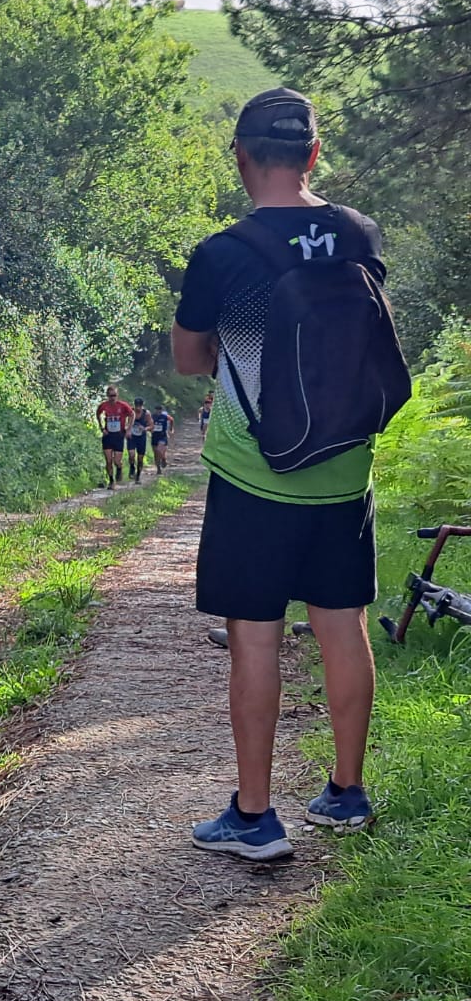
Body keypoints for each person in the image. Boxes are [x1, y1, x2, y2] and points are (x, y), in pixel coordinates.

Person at [174, 88, 384, 860]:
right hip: (344, 470)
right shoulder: (359, 234)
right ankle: (346, 793)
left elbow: (191, 359)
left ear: (241, 158)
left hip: (254, 475)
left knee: (255, 636)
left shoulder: (222, 254)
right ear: (314, 155)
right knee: (342, 622)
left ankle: (256, 816)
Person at [95, 386, 133, 490]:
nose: (113, 398)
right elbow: (98, 414)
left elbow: (132, 414)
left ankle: (119, 468)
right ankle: (111, 481)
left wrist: (128, 429)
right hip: (108, 435)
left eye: (114, 395)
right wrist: (101, 428)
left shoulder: (123, 405)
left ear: (117, 395)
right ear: (107, 396)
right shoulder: (104, 405)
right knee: (108, 461)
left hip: (118, 435)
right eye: (111, 396)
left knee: (117, 461)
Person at [127, 397, 153, 483]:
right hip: (132, 437)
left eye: (140, 406)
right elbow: (126, 422)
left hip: (141, 437)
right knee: (131, 454)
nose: (138, 408)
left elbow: (151, 426)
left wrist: (145, 428)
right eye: (136, 406)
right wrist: (127, 430)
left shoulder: (146, 414)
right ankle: (132, 467)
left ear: (142, 405)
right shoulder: (131, 412)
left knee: (140, 458)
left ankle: (138, 475)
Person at [151, 404, 174, 473]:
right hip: (154, 436)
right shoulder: (152, 416)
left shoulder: (164, 416)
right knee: (155, 453)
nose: (158, 412)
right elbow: (148, 422)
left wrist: (171, 429)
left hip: (162, 436)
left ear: (161, 411)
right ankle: (158, 468)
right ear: (155, 410)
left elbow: (171, 419)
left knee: (159, 450)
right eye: (157, 410)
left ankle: (163, 458)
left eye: (159, 410)